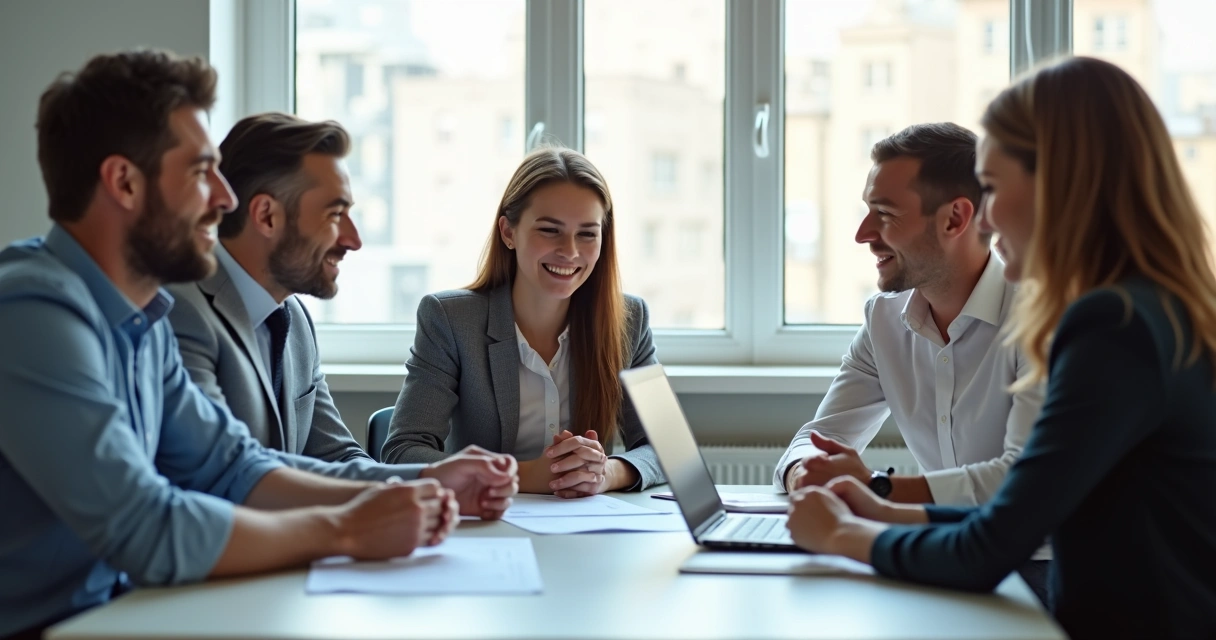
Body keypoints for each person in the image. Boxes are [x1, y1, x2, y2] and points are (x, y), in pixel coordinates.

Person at [0, 50, 459, 639]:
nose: (224, 198)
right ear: (124, 183)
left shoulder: (144, 316)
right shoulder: (32, 310)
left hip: (127, 616)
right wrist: (344, 530)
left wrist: (415, 488)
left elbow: (231, 468)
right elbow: (144, 526)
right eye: (199, 172)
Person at [786, 56, 1216, 638]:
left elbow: (993, 542)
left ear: (1059, 185)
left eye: (991, 188)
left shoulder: (1111, 324)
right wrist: (881, 508)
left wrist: (842, 534)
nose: (983, 217)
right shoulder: (1150, 307)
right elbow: (1021, 507)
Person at [164, 112, 517, 520]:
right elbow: (229, 474)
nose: (354, 239)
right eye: (334, 215)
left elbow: (336, 457)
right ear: (266, 216)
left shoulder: (292, 318)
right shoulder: (180, 313)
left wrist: (434, 481)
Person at [772, 123, 1049, 601]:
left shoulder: (1038, 314)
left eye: (884, 214)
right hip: (943, 555)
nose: (863, 234)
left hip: (1041, 567)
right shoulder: (884, 319)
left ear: (954, 219)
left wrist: (875, 488)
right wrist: (807, 473)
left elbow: (1018, 484)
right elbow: (819, 438)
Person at [381, 147, 665, 497]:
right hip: (487, 528)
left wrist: (607, 473)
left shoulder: (629, 321)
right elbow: (402, 452)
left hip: (587, 529)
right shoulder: (450, 320)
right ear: (508, 232)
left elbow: (667, 449)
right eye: (550, 230)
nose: (570, 251)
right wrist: (528, 476)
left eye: (587, 234)